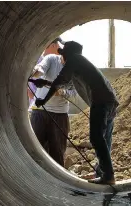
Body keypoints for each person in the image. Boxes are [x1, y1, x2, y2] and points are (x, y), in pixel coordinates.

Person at [34, 41, 119, 185]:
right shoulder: (81, 64)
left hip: (100, 102)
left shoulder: (74, 60)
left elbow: (59, 82)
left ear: (68, 54)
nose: (62, 58)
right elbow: (66, 84)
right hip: (109, 101)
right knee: (103, 138)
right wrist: (45, 83)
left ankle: (108, 176)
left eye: (63, 54)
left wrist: (43, 101)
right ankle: (103, 173)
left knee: (96, 137)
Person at [29, 37, 77, 167]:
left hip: (59, 115)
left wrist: (62, 92)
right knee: (36, 151)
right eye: (64, 57)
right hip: (39, 112)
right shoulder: (51, 59)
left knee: (57, 153)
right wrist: (35, 73)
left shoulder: (75, 70)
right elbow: (41, 69)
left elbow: (74, 94)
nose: (66, 61)